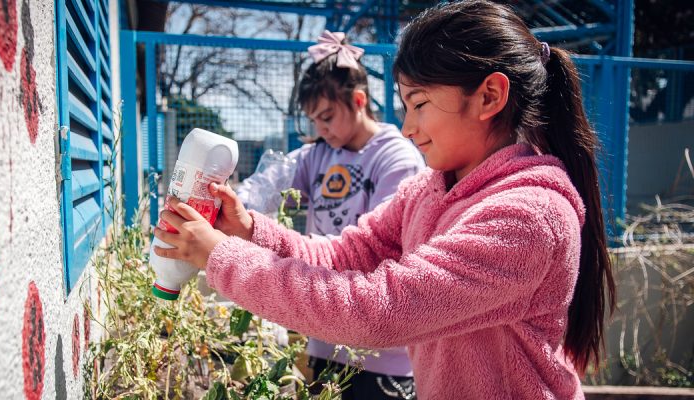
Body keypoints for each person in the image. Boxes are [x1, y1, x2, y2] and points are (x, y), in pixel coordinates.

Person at [154, 1, 616, 398]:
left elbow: (377, 311)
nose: (409, 126)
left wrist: (221, 257)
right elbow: (346, 254)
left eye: (419, 104)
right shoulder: (431, 190)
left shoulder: (528, 217)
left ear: (489, 96)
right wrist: (250, 231)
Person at [235, 30, 425, 399]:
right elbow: (268, 185)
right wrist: (234, 203)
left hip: (380, 350)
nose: (321, 129)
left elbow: (380, 251)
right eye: (314, 121)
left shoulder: (396, 158)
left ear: (358, 100)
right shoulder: (318, 154)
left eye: (327, 116)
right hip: (324, 334)